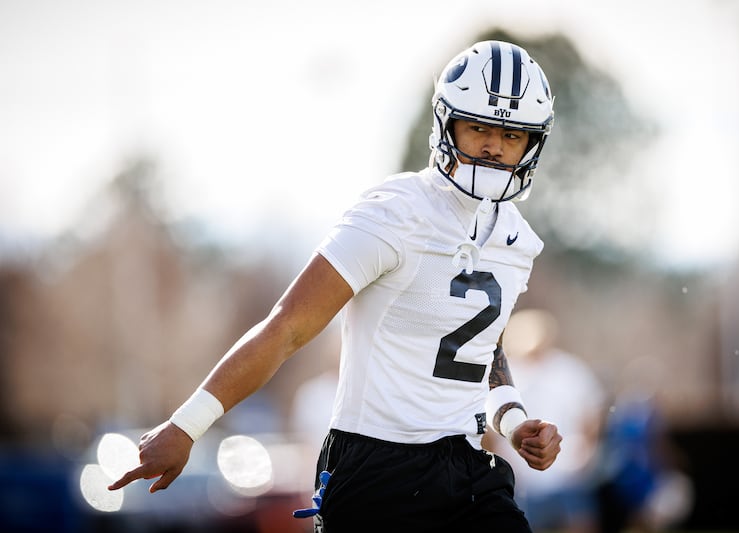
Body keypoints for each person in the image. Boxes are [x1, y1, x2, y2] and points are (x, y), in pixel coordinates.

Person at [109, 40, 563, 533]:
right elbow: (287, 328)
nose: (495, 146)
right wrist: (186, 425)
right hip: (377, 468)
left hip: (467, 465)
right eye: (479, 127)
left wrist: (514, 422)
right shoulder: (394, 212)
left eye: (511, 134)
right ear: (446, 124)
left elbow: (480, 352)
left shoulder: (518, 240)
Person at [487, 308, 606, 533]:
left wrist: (585, 453)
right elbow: (488, 429)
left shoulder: (569, 370)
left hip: (567, 474)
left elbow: (591, 414)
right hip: (519, 479)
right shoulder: (503, 376)